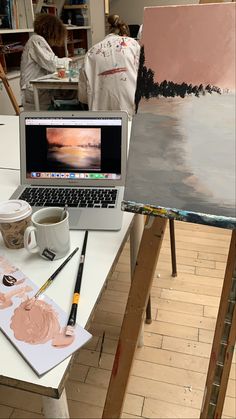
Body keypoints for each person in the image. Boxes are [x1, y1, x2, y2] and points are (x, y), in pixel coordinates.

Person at [78, 14, 140, 118]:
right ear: (125, 34)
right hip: (130, 113)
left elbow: (83, 97)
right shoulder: (133, 44)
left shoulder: (92, 51)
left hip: (101, 118)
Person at [20, 13, 72, 110]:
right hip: (33, 92)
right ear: (51, 32)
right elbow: (52, 63)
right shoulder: (36, 40)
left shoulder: (39, 41)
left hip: (39, 91)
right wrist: (69, 62)